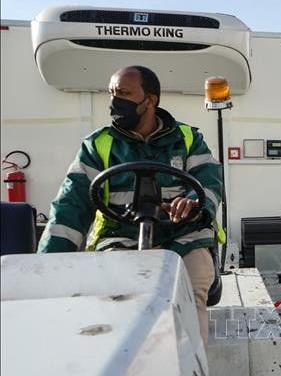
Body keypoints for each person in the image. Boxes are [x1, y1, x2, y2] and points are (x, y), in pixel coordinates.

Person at [38, 65, 223, 345]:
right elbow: (69, 207)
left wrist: (194, 204)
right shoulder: (98, 145)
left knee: (191, 288)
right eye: (112, 93)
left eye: (124, 93)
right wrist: (46, 270)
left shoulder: (188, 139)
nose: (115, 101)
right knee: (117, 299)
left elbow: (209, 182)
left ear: (150, 101)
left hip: (185, 238)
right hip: (120, 238)